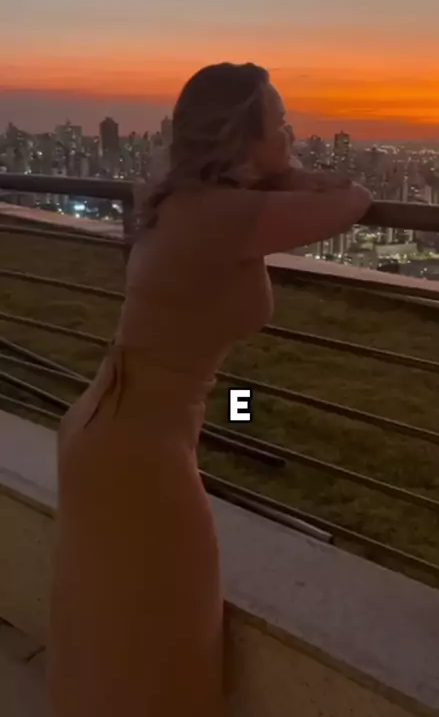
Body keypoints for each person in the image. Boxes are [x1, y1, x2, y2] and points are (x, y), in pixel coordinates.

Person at [47, 62, 372, 717]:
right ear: (243, 137)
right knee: (174, 630)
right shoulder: (225, 214)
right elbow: (351, 199)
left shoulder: (184, 201)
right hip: (139, 453)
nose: (291, 135)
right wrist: (289, 175)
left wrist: (274, 171)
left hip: (107, 428)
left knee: (114, 626)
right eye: (281, 124)